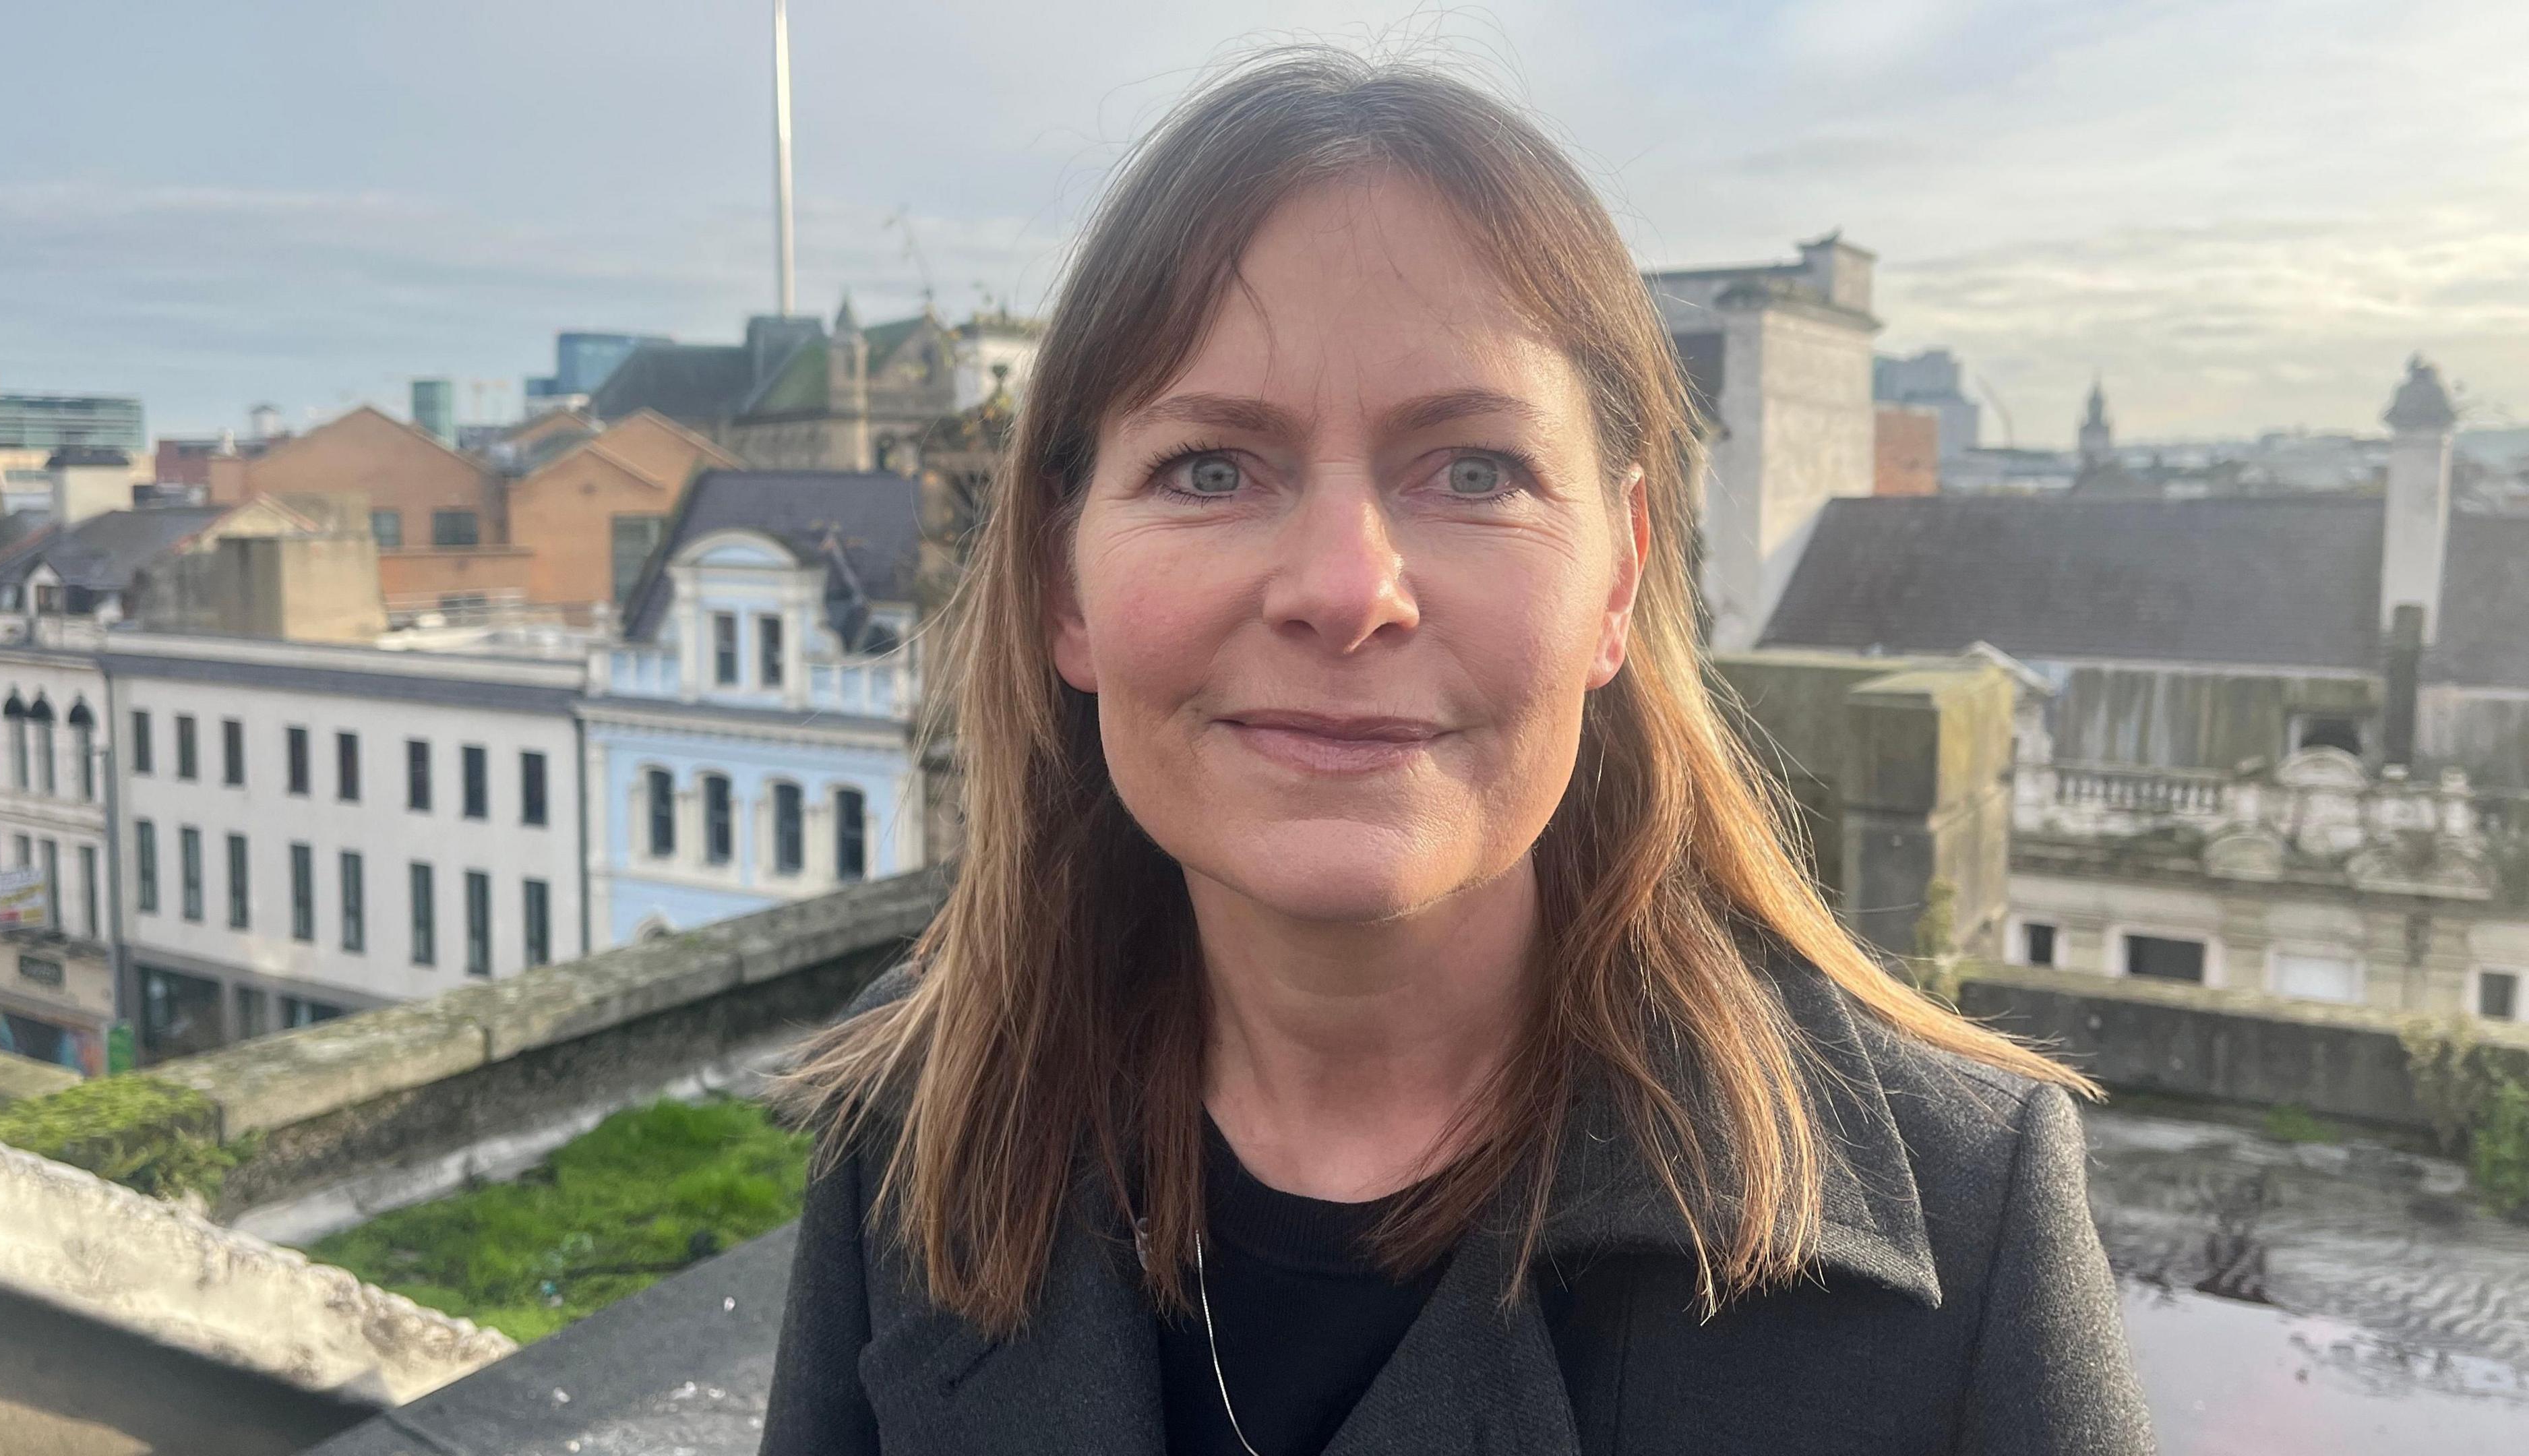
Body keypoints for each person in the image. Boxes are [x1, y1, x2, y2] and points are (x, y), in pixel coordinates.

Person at [760, 48, 2149, 1456]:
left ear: (1617, 586)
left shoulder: (1972, 1232)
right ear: (1063, 588)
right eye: (1211, 469)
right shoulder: (917, 1131)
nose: (1347, 588)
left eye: (1475, 470)